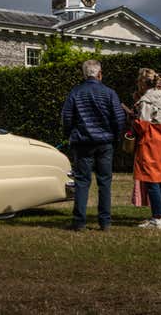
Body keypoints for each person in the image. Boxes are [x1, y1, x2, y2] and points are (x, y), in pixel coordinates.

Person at [61, 60, 125, 232]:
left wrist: (69, 135)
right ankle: (105, 222)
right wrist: (116, 137)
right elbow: (119, 118)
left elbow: (66, 117)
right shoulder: (110, 93)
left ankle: (79, 222)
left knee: (82, 182)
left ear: (84, 74)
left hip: (82, 142)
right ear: (100, 74)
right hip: (105, 142)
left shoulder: (75, 93)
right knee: (104, 182)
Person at [132, 69, 161, 229]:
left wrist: (133, 120)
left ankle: (157, 218)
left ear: (145, 84)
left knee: (152, 182)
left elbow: (143, 125)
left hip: (150, 143)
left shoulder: (146, 100)